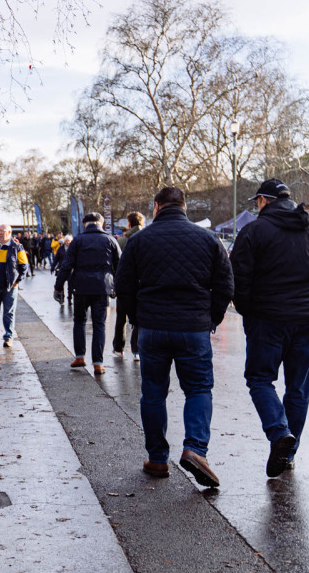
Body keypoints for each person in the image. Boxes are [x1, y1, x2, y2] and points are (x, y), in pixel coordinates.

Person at [115, 186, 234, 488]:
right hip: (193, 327)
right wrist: (211, 319)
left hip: (153, 327)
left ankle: (157, 458)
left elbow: (124, 285)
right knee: (198, 389)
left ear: (156, 207)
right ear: (184, 207)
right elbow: (225, 284)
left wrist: (136, 319)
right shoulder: (208, 240)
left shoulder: (139, 240)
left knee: (153, 392)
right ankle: (195, 449)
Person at [230, 178, 309, 477]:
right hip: (307, 319)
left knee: (259, 379)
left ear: (263, 201)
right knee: (299, 388)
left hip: (267, 318)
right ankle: (288, 453)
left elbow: (239, 277)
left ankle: (280, 434)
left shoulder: (254, 231)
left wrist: (247, 309)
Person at [55, 213, 121, 375]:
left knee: (79, 321)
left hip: (80, 287)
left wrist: (58, 287)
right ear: (101, 223)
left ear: (85, 224)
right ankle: (98, 363)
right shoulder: (110, 240)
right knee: (99, 324)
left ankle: (80, 356)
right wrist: (117, 287)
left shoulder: (77, 241)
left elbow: (66, 265)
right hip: (102, 287)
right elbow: (120, 265)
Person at [113, 211, 145, 361]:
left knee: (121, 318)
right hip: (141, 284)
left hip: (125, 282)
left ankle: (119, 348)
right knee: (138, 318)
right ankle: (136, 350)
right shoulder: (147, 236)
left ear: (129, 223)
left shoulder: (123, 240)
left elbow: (117, 263)